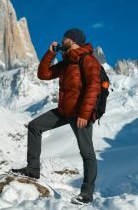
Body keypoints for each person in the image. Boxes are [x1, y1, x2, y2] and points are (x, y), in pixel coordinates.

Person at [11, 28, 101, 205]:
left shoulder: (88, 59)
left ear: (73, 40)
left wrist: (85, 113)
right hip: (64, 111)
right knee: (34, 126)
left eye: (65, 37)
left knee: (87, 153)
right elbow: (43, 74)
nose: (62, 39)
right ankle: (32, 169)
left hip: (80, 114)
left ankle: (87, 193)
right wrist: (49, 54)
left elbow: (93, 87)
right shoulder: (67, 62)